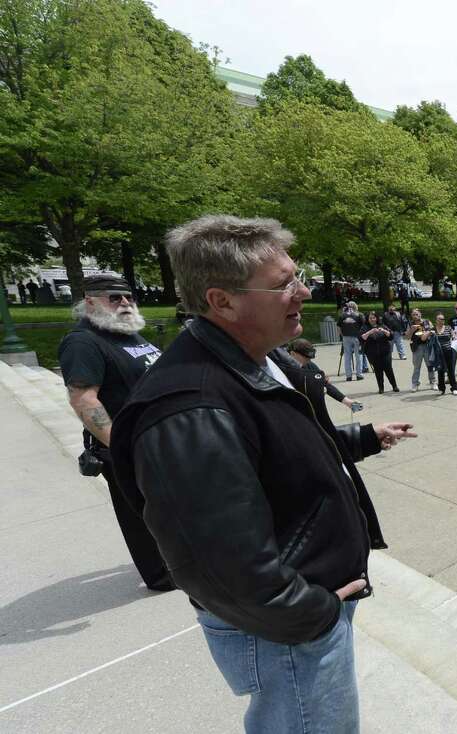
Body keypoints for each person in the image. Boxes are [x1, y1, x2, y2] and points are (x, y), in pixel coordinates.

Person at [109, 215, 416, 732]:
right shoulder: (191, 407)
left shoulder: (257, 359)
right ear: (221, 301)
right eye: (284, 285)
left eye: (298, 276)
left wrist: (361, 438)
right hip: (285, 629)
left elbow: (277, 454)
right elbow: (216, 561)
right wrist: (310, 613)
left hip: (297, 615)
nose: (304, 291)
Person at [58, 274, 170, 592]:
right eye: (114, 297)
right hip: (126, 445)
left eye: (128, 297)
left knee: (169, 505)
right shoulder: (83, 342)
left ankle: (183, 559)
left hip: (159, 439)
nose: (124, 303)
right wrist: (122, 448)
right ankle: (160, 575)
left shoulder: (128, 334)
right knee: (140, 514)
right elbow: (83, 399)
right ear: (90, 301)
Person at [287, 338, 363, 413]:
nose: (308, 361)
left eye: (309, 358)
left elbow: (325, 384)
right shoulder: (280, 369)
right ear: (293, 354)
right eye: (306, 358)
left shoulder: (309, 365)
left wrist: (348, 402)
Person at [360, 312, 398, 394]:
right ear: (368, 319)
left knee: (388, 369)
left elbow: (391, 336)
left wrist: (384, 331)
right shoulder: (365, 327)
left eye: (374, 318)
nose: (372, 319)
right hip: (372, 353)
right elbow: (362, 338)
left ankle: (394, 386)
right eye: (370, 318)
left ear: (376, 318)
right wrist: (370, 332)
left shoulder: (382, 326)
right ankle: (381, 388)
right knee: (378, 370)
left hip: (385, 352)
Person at [406, 308, 436, 391]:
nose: (415, 316)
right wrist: (412, 330)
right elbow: (407, 337)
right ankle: (415, 384)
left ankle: (433, 382)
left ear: (420, 314)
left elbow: (434, 331)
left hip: (427, 346)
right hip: (416, 348)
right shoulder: (410, 324)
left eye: (417, 314)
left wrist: (427, 333)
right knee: (416, 367)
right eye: (413, 315)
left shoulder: (427, 322)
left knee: (430, 365)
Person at [431, 313, 457, 395]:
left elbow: (454, 336)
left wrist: (454, 336)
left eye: (443, 319)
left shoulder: (448, 328)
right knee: (440, 370)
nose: (442, 321)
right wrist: (429, 334)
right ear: (436, 320)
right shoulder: (433, 329)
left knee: (451, 370)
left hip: (448, 351)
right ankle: (441, 389)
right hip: (438, 353)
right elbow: (427, 339)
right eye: (440, 319)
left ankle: (454, 388)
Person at [338, 300, 365, 381]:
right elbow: (363, 326)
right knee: (358, 356)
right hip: (357, 337)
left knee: (347, 356)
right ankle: (359, 375)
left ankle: (348, 376)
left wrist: (342, 336)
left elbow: (339, 327)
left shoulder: (342, 315)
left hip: (346, 337)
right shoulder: (359, 314)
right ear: (355, 307)